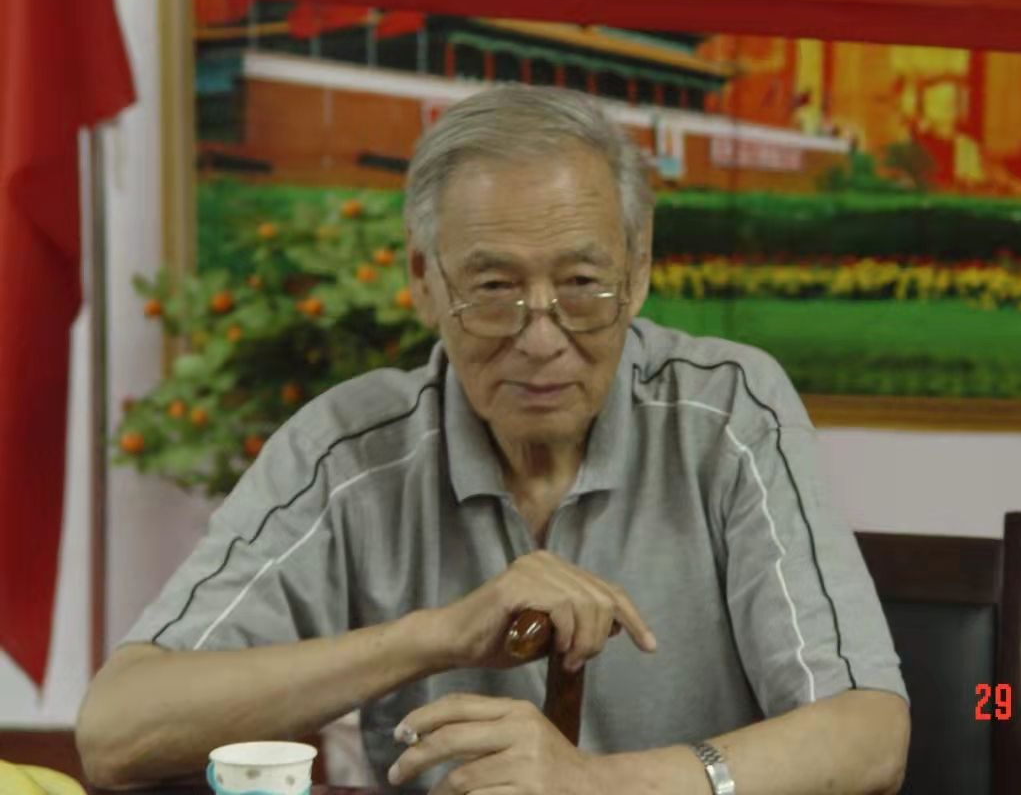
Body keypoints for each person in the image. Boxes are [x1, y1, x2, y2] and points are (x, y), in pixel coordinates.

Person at [77, 84, 910, 793]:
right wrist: (434, 635)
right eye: (493, 289)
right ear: (423, 281)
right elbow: (116, 728)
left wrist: (594, 784)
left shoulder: (729, 412)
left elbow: (870, 733)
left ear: (639, 272)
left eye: (580, 284)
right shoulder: (348, 451)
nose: (541, 338)